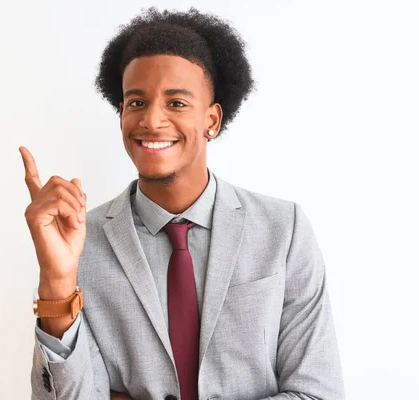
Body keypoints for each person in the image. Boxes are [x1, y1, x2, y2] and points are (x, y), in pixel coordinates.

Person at [20, 7, 344, 400]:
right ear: (121, 112)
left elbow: (317, 393)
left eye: (176, 103)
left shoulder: (283, 229)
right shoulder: (80, 242)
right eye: (136, 102)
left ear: (212, 119)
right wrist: (56, 280)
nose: (152, 120)